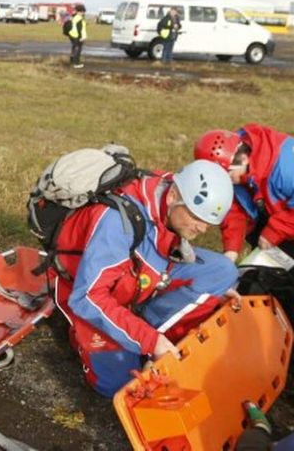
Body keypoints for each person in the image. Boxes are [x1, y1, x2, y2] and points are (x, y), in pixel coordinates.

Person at [49, 159, 238, 397]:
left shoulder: (168, 190)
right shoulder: (116, 223)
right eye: (197, 217)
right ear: (173, 197)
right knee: (121, 385)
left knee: (223, 273)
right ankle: (95, 333)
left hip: (136, 275)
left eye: (209, 223)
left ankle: (144, 325)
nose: (202, 229)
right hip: (89, 292)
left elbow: (158, 249)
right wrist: (152, 342)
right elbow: (86, 297)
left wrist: (213, 292)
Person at [194, 126, 294, 262]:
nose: (225, 181)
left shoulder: (284, 168)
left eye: (227, 174)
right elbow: (235, 210)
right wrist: (231, 251)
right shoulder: (238, 171)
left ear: (243, 158)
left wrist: (274, 232)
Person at [67, 3, 87, 68]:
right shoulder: (79, 18)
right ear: (82, 11)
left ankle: (71, 62)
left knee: (74, 48)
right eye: (84, 11)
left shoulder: (74, 17)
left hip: (72, 35)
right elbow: (80, 29)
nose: (84, 13)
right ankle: (76, 63)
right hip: (77, 36)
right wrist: (81, 37)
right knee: (78, 49)